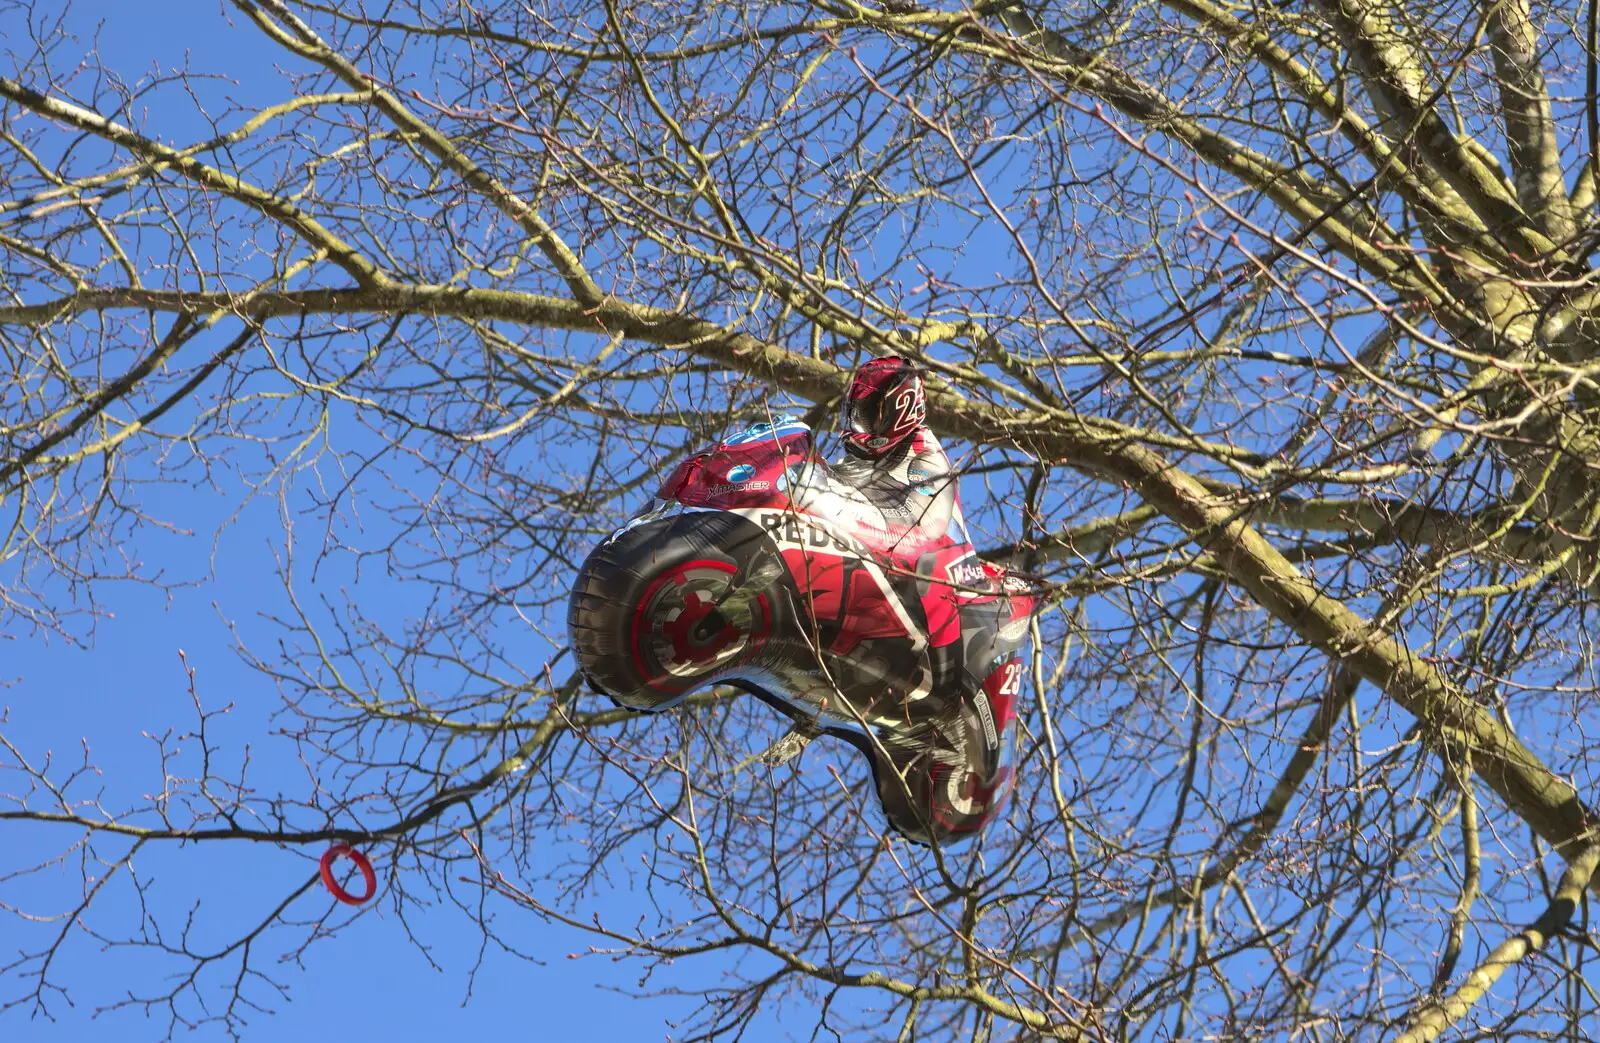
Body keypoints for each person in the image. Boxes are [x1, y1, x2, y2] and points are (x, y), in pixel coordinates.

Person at [832, 356, 970, 697]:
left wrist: (854, 516)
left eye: (869, 415)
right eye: (857, 414)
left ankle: (938, 674)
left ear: (900, 407)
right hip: (876, 571)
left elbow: (925, 529)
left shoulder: (926, 456)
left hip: (938, 589)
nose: (860, 426)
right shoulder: (861, 459)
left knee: (928, 560)